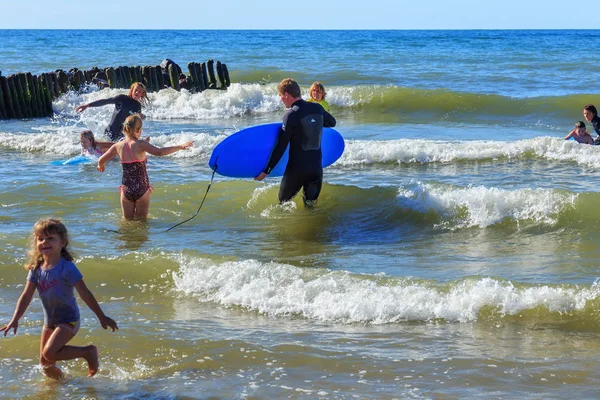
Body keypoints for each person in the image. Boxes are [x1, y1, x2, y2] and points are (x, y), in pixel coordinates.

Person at [0, 218, 118, 379]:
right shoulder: (36, 268)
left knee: (49, 353)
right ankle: (66, 385)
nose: (45, 242)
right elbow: (26, 295)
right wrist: (15, 319)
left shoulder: (67, 268)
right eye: (40, 238)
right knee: (46, 364)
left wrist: (101, 317)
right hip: (49, 322)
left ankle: (88, 352)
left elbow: (85, 293)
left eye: (51, 238)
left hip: (69, 320)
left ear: (63, 242)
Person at [254, 78, 336, 206]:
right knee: (310, 207)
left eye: (281, 96)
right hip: (316, 170)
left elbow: (281, 146)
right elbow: (332, 122)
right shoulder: (318, 108)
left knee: (283, 205)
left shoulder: (290, 115)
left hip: (296, 171)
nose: (281, 99)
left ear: (287, 94)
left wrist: (266, 171)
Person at [97, 114, 194, 220]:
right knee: (141, 221)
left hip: (126, 189)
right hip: (141, 189)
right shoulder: (141, 144)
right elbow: (160, 152)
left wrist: (101, 166)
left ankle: (126, 236)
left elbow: (101, 160)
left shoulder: (117, 146)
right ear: (138, 130)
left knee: (127, 220)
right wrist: (180, 146)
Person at [75, 82, 149, 141]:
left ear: (142, 94)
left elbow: (135, 122)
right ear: (132, 90)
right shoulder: (122, 98)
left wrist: (142, 117)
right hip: (110, 132)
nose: (137, 93)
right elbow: (105, 101)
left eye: (139, 92)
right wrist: (87, 105)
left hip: (122, 134)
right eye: (135, 90)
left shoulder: (138, 106)